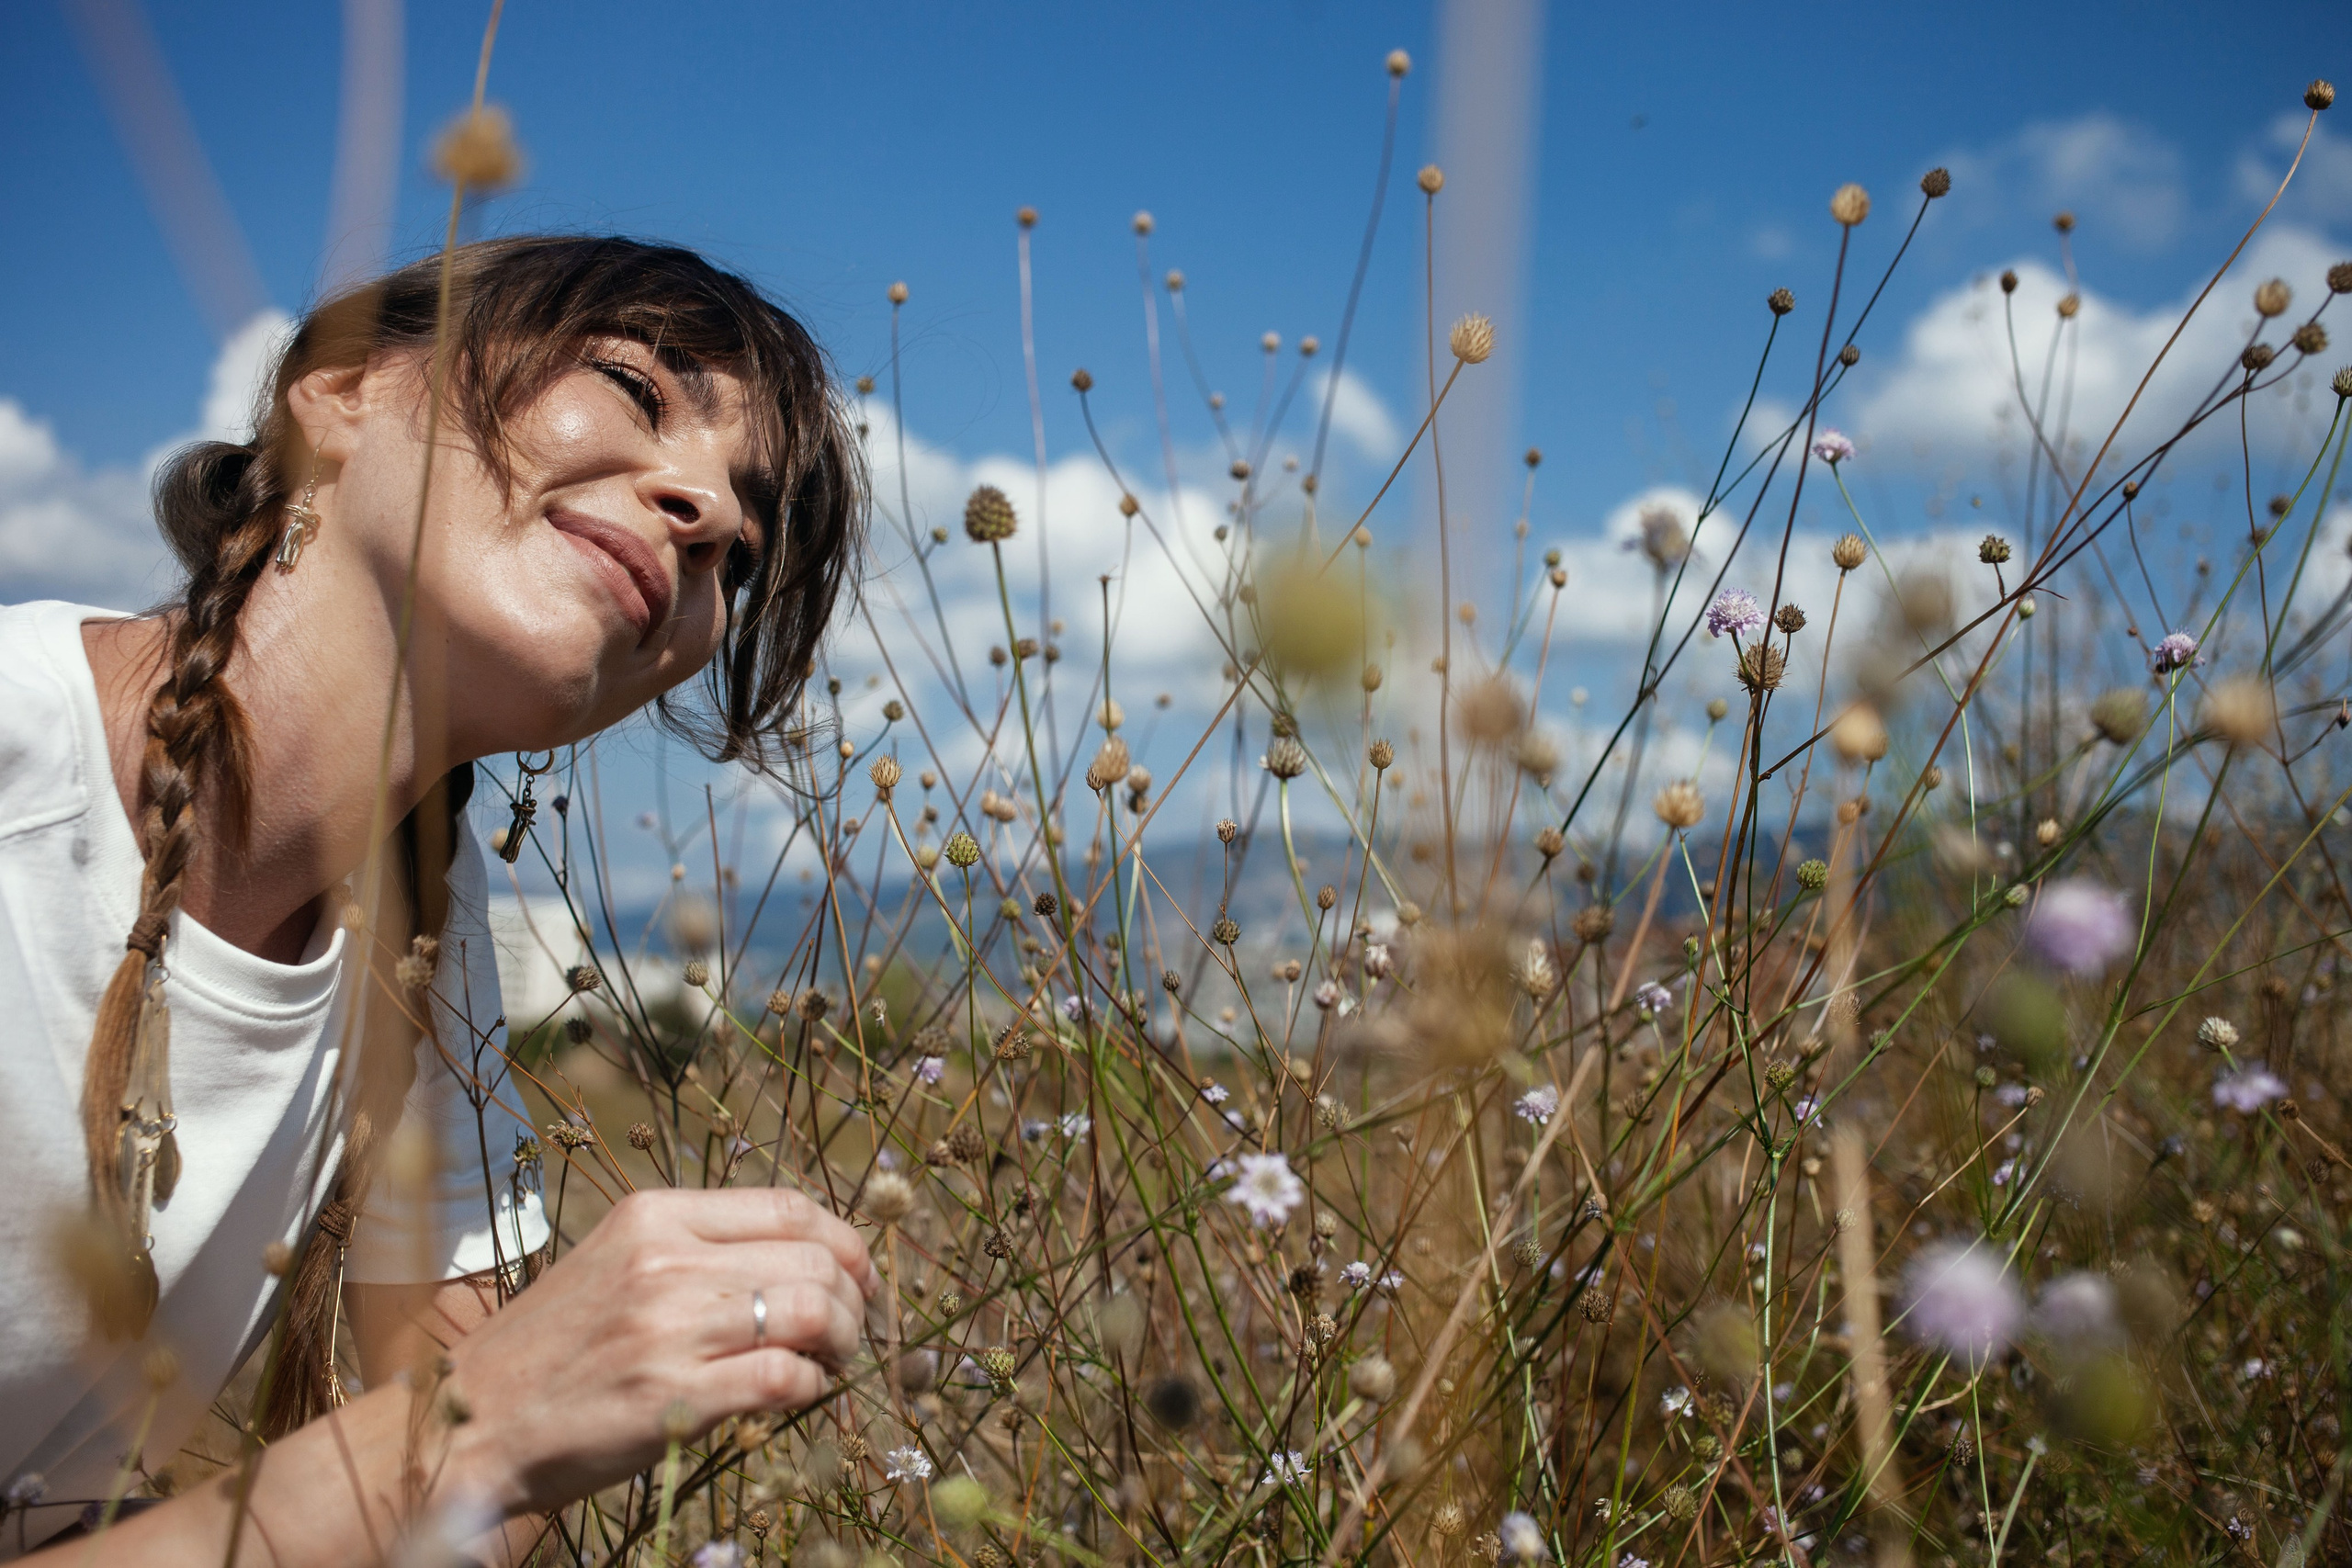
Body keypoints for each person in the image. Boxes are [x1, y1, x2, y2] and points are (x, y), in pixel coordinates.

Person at [0, 235, 876, 1564]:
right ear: (343, 390)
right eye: (637, 389)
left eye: (742, 553)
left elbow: (490, 1519)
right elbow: (475, 1446)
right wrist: (454, 1437)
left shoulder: (419, 926)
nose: (705, 512)